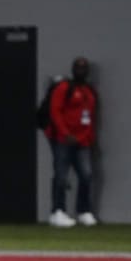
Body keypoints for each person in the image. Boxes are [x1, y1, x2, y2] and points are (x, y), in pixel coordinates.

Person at [45, 56, 98, 228]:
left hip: (82, 141)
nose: (81, 70)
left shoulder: (89, 91)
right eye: (78, 67)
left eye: (84, 67)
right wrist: (65, 133)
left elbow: (90, 117)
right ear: (73, 69)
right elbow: (55, 111)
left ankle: (83, 211)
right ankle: (57, 211)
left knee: (86, 175)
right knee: (61, 176)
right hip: (63, 139)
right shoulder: (64, 87)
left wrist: (86, 138)